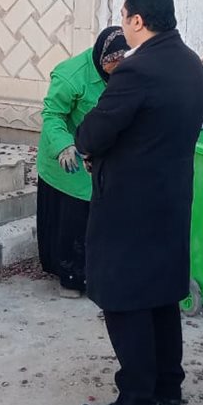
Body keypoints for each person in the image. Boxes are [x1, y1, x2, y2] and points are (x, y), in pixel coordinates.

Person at [74, 0, 203, 405]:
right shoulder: (191, 64)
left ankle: (135, 404)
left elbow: (94, 133)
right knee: (162, 295)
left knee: (125, 298)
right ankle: (168, 388)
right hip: (172, 201)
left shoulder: (137, 70)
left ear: (137, 19)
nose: (122, 22)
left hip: (129, 207)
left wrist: (90, 147)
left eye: (123, 14)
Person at [36, 27, 130, 298]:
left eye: (123, 60)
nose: (118, 66)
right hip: (68, 157)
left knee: (102, 214)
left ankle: (99, 272)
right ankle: (71, 278)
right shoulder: (72, 75)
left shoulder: (126, 73)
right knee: (75, 218)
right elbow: (52, 115)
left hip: (100, 154)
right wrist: (64, 146)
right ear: (102, 56)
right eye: (114, 61)